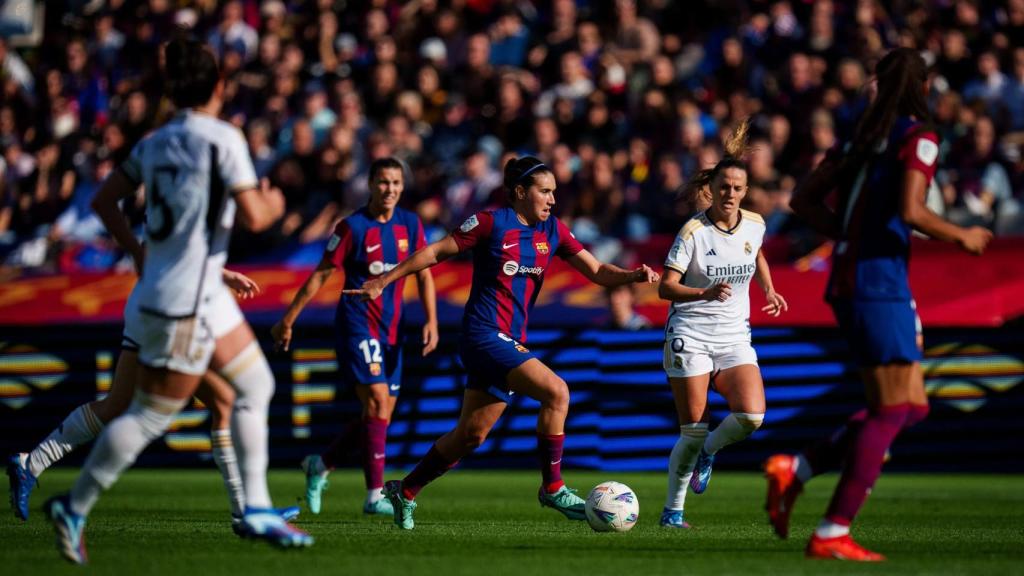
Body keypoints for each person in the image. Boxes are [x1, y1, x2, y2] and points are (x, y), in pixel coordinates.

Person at [41, 36, 311, 565]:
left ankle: (256, 508)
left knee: (256, 385)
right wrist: (276, 203)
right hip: (187, 299)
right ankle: (74, 506)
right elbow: (256, 217)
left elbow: (105, 200)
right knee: (149, 415)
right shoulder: (224, 137)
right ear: (217, 85)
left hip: (191, 288)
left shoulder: (156, 141)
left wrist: (137, 250)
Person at [345, 155, 659, 530]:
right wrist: (384, 280)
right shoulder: (490, 223)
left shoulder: (553, 230)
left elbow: (597, 271)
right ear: (520, 192)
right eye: (545, 191)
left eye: (554, 192)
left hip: (508, 338)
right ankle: (553, 488)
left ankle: (406, 490)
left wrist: (631, 275)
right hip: (482, 334)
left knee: (471, 435)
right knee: (557, 392)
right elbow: (435, 252)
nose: (552, 199)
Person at [769, 48, 992, 561]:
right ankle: (832, 531)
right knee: (891, 410)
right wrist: (962, 235)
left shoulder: (859, 138)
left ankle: (798, 469)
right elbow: (912, 210)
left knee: (912, 406)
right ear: (925, 86)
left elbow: (802, 200)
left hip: (857, 280)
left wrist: (848, 235)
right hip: (878, 283)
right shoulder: (919, 137)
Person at [7, 269, 301, 534]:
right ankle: (246, 511)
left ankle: (31, 464)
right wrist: (222, 274)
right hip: (171, 306)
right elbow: (164, 250)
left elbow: (156, 247)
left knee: (117, 406)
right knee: (220, 403)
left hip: (156, 301)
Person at [271, 157, 438, 516]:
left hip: (393, 330)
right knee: (377, 401)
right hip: (357, 324)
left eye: (396, 183)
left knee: (379, 414)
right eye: (383, 182)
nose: (389, 189)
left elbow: (424, 273)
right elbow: (321, 273)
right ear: (370, 185)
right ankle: (374, 496)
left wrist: (432, 320)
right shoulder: (352, 227)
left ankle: (320, 464)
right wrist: (288, 318)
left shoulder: (410, 224)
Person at [657, 121, 788, 530]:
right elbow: (665, 287)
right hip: (690, 333)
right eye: (724, 187)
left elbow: (756, 254)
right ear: (711, 189)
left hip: (733, 336)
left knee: (752, 416)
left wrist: (768, 289)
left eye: (737, 188)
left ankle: (709, 453)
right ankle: (673, 513)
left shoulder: (755, 224)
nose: (730, 193)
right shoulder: (693, 231)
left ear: (745, 191)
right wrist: (704, 293)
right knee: (693, 430)